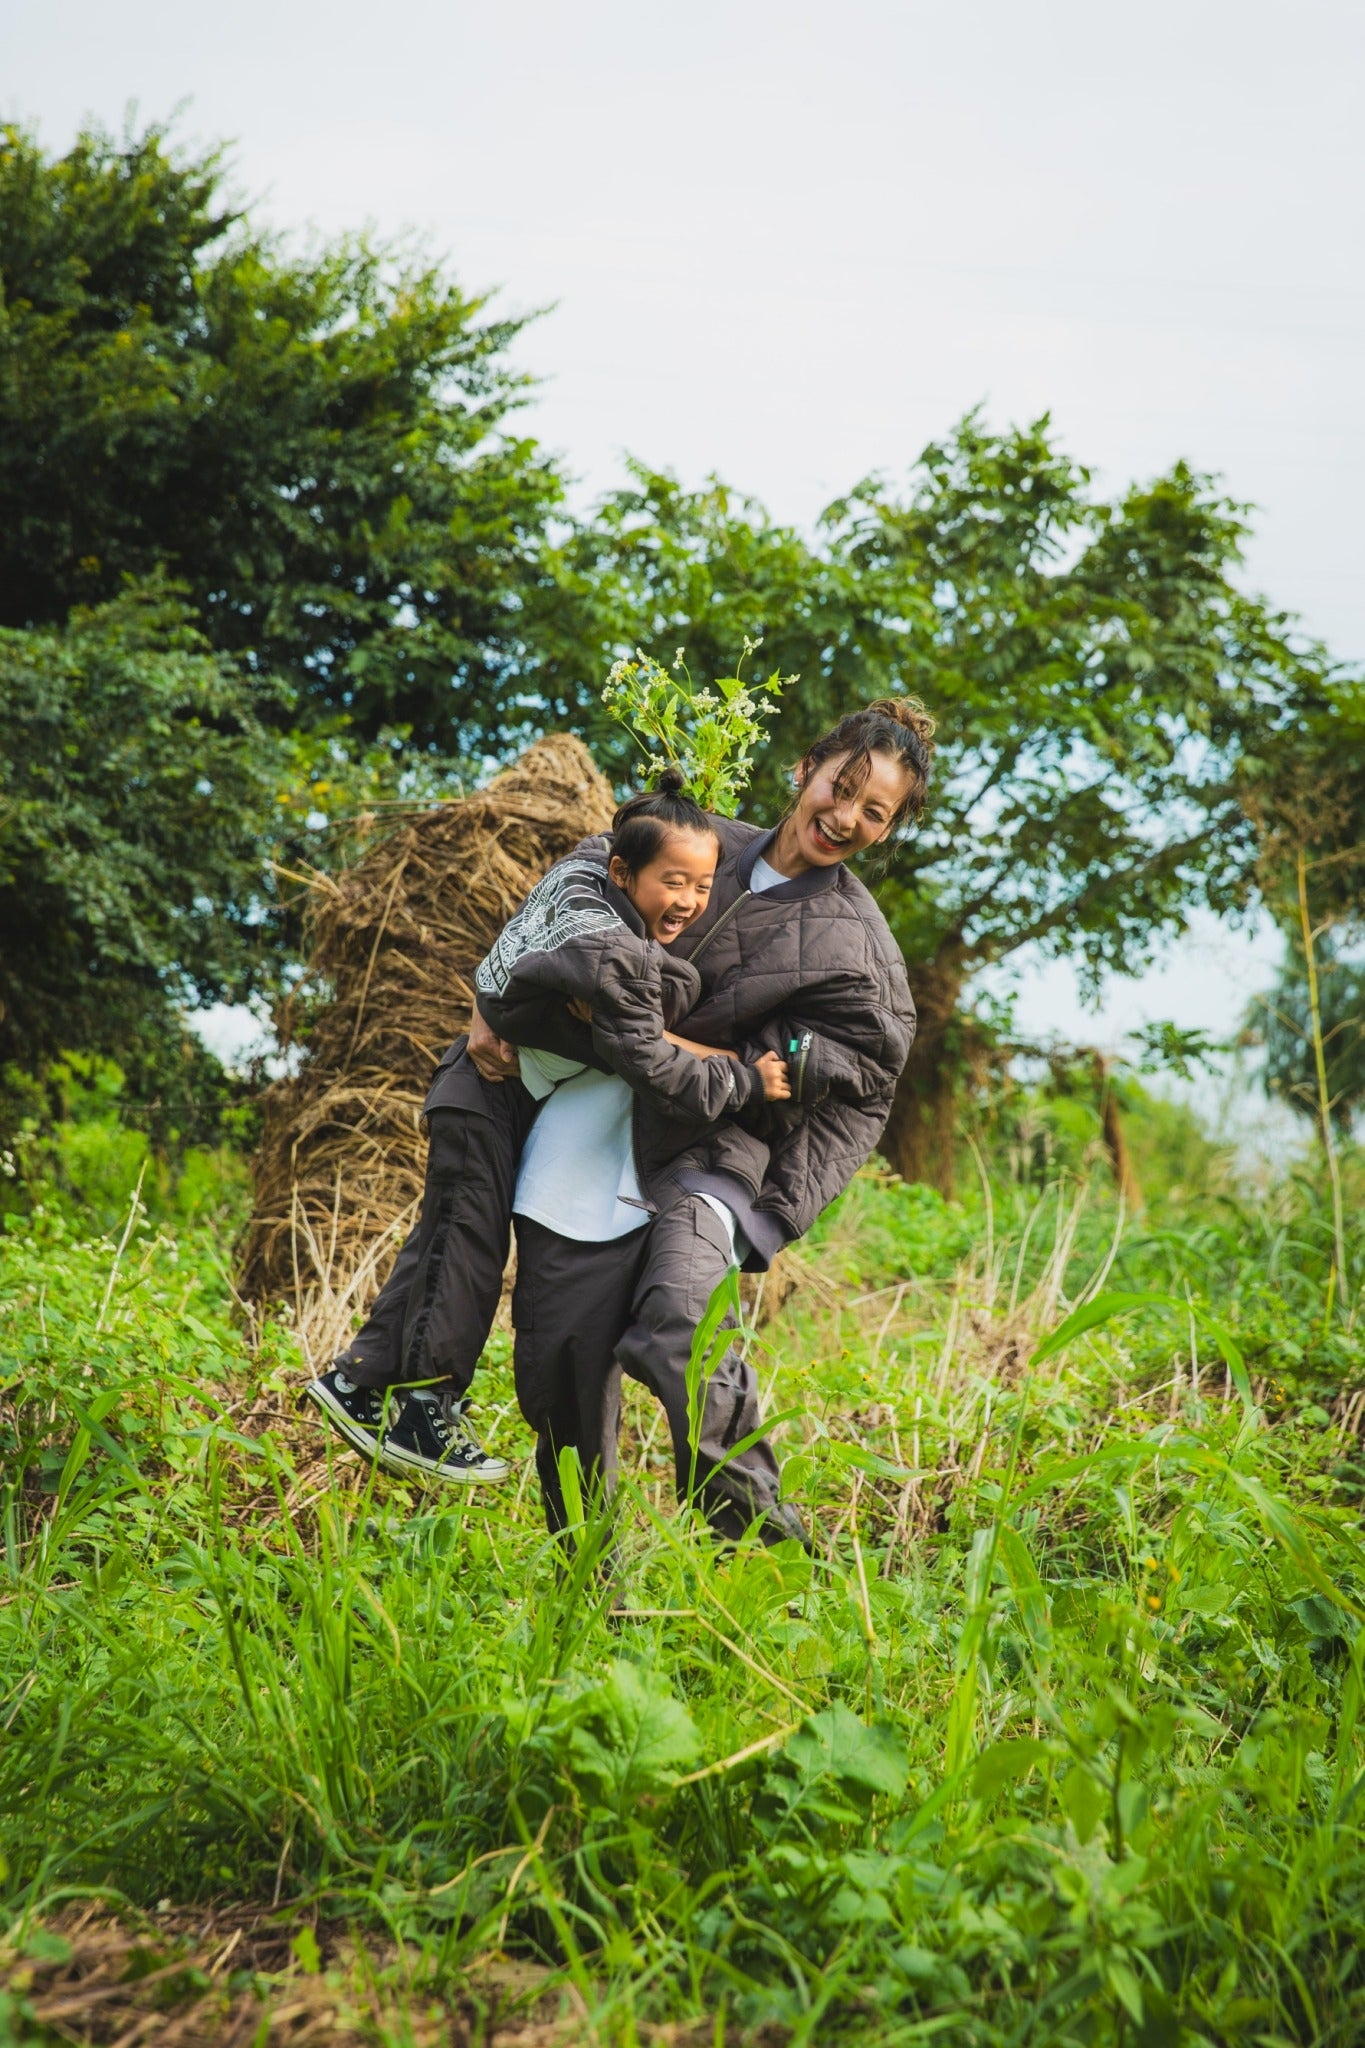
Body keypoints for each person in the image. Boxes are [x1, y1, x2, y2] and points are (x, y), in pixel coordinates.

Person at [475, 698, 936, 1548]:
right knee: (561, 1371)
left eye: (875, 812)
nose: (845, 817)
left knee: (678, 1325)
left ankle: (766, 1552)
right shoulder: (697, 841)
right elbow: (581, 878)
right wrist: (496, 993)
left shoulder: (856, 945)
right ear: (804, 770)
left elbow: (867, 1067)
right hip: (588, 1127)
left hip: (714, 1148)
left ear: (889, 827)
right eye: (841, 787)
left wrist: (752, 1078)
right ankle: (586, 1579)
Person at [304, 771, 791, 1481]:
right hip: (483, 1097)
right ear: (623, 872)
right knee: (462, 1249)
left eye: (702, 885)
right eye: (672, 882)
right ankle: (421, 1405)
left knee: (443, 1238)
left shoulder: (583, 888)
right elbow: (651, 1065)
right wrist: (744, 1078)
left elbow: (559, 914)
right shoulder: (614, 954)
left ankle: (356, 1380)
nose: (688, 901)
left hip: (483, 1095)